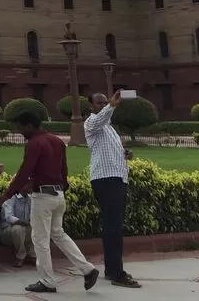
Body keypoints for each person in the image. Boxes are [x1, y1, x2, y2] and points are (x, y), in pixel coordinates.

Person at [0, 111, 99, 294]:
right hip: (58, 194)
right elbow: (63, 169)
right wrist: (60, 187)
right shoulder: (57, 141)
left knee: (40, 240)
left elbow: (24, 170)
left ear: (29, 125)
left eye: (20, 127)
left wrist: (7, 194)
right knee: (58, 234)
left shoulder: (35, 143)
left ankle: (47, 281)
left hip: (43, 197)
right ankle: (88, 269)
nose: (19, 131)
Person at [85, 91, 141, 288]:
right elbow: (99, 120)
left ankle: (112, 270)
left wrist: (124, 153)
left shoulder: (109, 129)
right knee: (113, 227)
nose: (103, 104)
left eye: (104, 101)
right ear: (91, 106)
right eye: (99, 102)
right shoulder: (91, 123)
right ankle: (117, 273)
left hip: (116, 179)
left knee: (114, 226)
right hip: (106, 180)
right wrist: (112, 105)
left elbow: (109, 150)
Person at [0, 185, 35, 268]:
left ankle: (32, 254)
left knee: (36, 228)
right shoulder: (11, 198)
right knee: (18, 229)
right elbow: (9, 217)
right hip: (8, 231)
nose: (31, 186)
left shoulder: (30, 199)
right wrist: (22, 222)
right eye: (28, 183)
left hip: (24, 229)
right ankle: (20, 257)